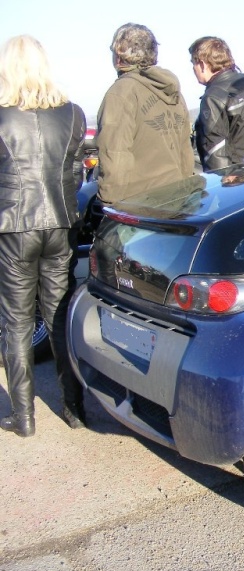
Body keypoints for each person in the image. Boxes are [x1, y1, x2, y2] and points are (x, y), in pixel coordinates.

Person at [0, 35, 87, 436]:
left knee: (16, 322)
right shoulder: (72, 113)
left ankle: (24, 417)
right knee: (58, 316)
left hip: (14, 226)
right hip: (60, 221)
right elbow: (75, 172)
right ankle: (74, 408)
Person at [96, 23, 195, 204]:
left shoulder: (121, 93)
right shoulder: (173, 92)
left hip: (139, 207)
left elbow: (115, 155)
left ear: (119, 55)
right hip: (176, 199)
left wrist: (109, 205)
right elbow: (185, 151)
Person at [189, 36, 244, 171]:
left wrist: (222, 184)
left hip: (236, 177)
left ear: (202, 64)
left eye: (193, 63)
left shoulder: (214, 97)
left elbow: (215, 151)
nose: (193, 69)